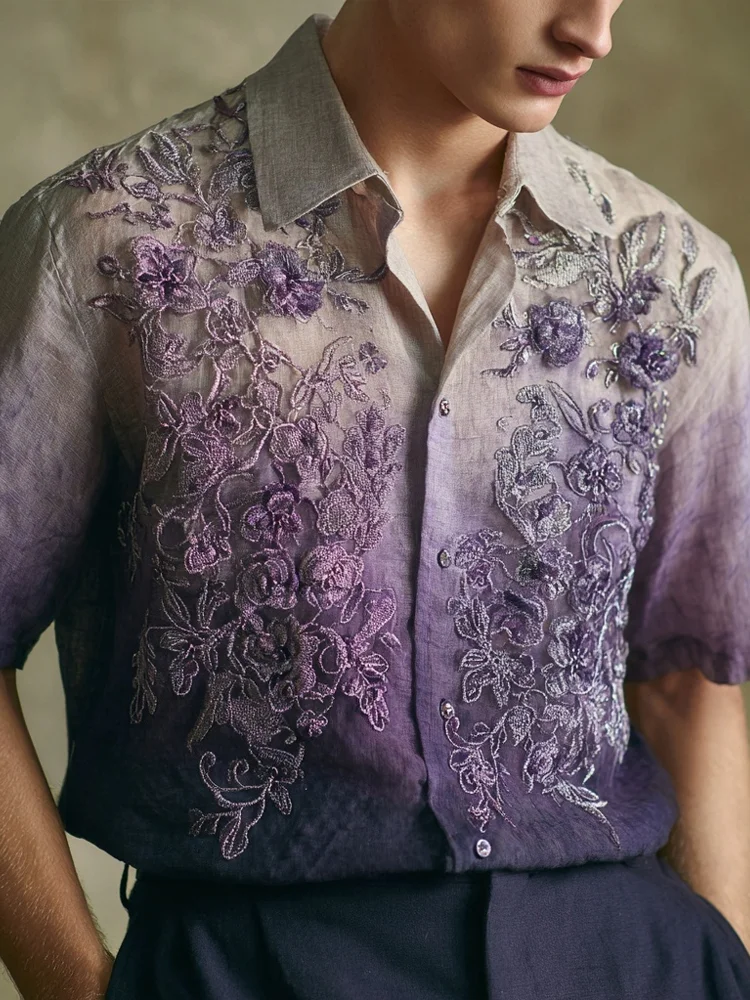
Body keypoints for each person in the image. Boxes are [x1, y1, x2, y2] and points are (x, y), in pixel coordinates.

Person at [1, 2, 750, 997]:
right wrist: (76, 986)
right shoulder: (108, 241)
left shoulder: (672, 276)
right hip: (252, 962)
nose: (593, 32)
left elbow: (687, 682)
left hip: (632, 959)